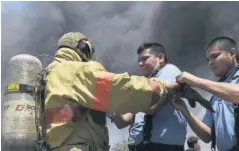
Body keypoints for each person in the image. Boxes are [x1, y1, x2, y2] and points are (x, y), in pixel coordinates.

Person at [44, 32, 180, 151]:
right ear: (83, 48)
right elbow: (122, 88)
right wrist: (162, 87)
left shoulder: (47, 75)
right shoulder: (77, 71)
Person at [113, 42, 187, 151]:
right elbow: (122, 122)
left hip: (161, 147)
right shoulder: (144, 88)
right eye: (139, 61)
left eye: (145, 59)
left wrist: (127, 94)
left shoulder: (169, 70)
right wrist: (112, 104)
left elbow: (152, 107)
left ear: (160, 58)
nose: (140, 64)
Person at [172, 36, 239, 151]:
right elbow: (207, 135)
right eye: (208, 60)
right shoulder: (216, 95)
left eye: (215, 56)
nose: (211, 62)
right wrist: (184, 110)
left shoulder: (224, 88)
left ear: (232, 53)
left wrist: (195, 81)